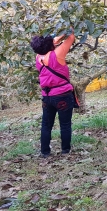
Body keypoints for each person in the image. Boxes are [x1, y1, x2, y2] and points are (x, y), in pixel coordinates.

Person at [31, 30, 77, 158]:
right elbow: (71, 37)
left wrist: (54, 38)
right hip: (62, 95)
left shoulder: (38, 57)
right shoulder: (56, 55)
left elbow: (51, 43)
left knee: (46, 124)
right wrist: (68, 29)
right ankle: (65, 150)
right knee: (65, 124)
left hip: (47, 97)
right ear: (50, 43)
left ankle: (45, 152)